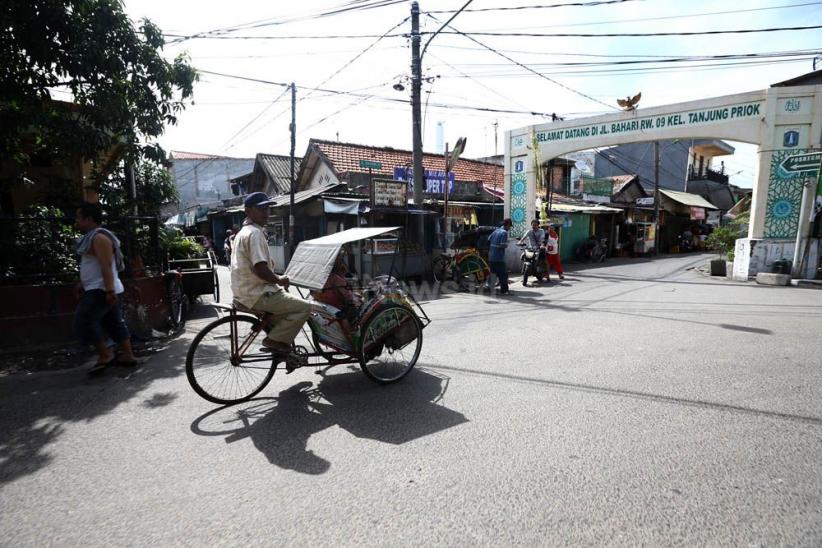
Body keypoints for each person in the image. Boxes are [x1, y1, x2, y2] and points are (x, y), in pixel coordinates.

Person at [230, 192, 310, 367]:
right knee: (305, 307)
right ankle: (274, 341)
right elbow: (260, 268)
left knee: (284, 316)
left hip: (244, 292)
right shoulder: (255, 233)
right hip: (258, 293)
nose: (266, 213)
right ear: (248, 211)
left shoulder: (243, 232)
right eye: (261, 209)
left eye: (267, 209)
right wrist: (279, 280)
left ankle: (284, 352)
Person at [73, 202, 137, 374]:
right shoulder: (92, 238)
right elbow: (92, 265)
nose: (76, 222)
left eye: (79, 218)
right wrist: (82, 283)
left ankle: (105, 354)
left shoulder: (100, 238)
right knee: (113, 323)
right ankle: (128, 355)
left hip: (101, 289)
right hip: (101, 288)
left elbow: (106, 266)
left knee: (83, 320)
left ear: (89, 219)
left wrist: (109, 290)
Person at [487, 218, 512, 295]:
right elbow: (502, 245)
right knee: (503, 274)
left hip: (491, 255)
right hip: (499, 257)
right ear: (507, 225)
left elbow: (489, 239)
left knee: (493, 273)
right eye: (509, 226)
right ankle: (504, 291)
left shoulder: (496, 231)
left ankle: (490, 289)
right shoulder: (504, 233)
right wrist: (507, 244)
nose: (509, 228)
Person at [518, 219, 545, 286]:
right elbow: (523, 237)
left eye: (535, 225)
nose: (534, 226)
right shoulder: (529, 231)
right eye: (533, 225)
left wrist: (542, 245)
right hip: (530, 249)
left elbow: (542, 239)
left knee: (542, 260)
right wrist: (520, 242)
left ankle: (546, 274)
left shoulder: (541, 231)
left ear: (538, 225)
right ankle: (524, 275)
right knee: (523, 256)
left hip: (539, 248)